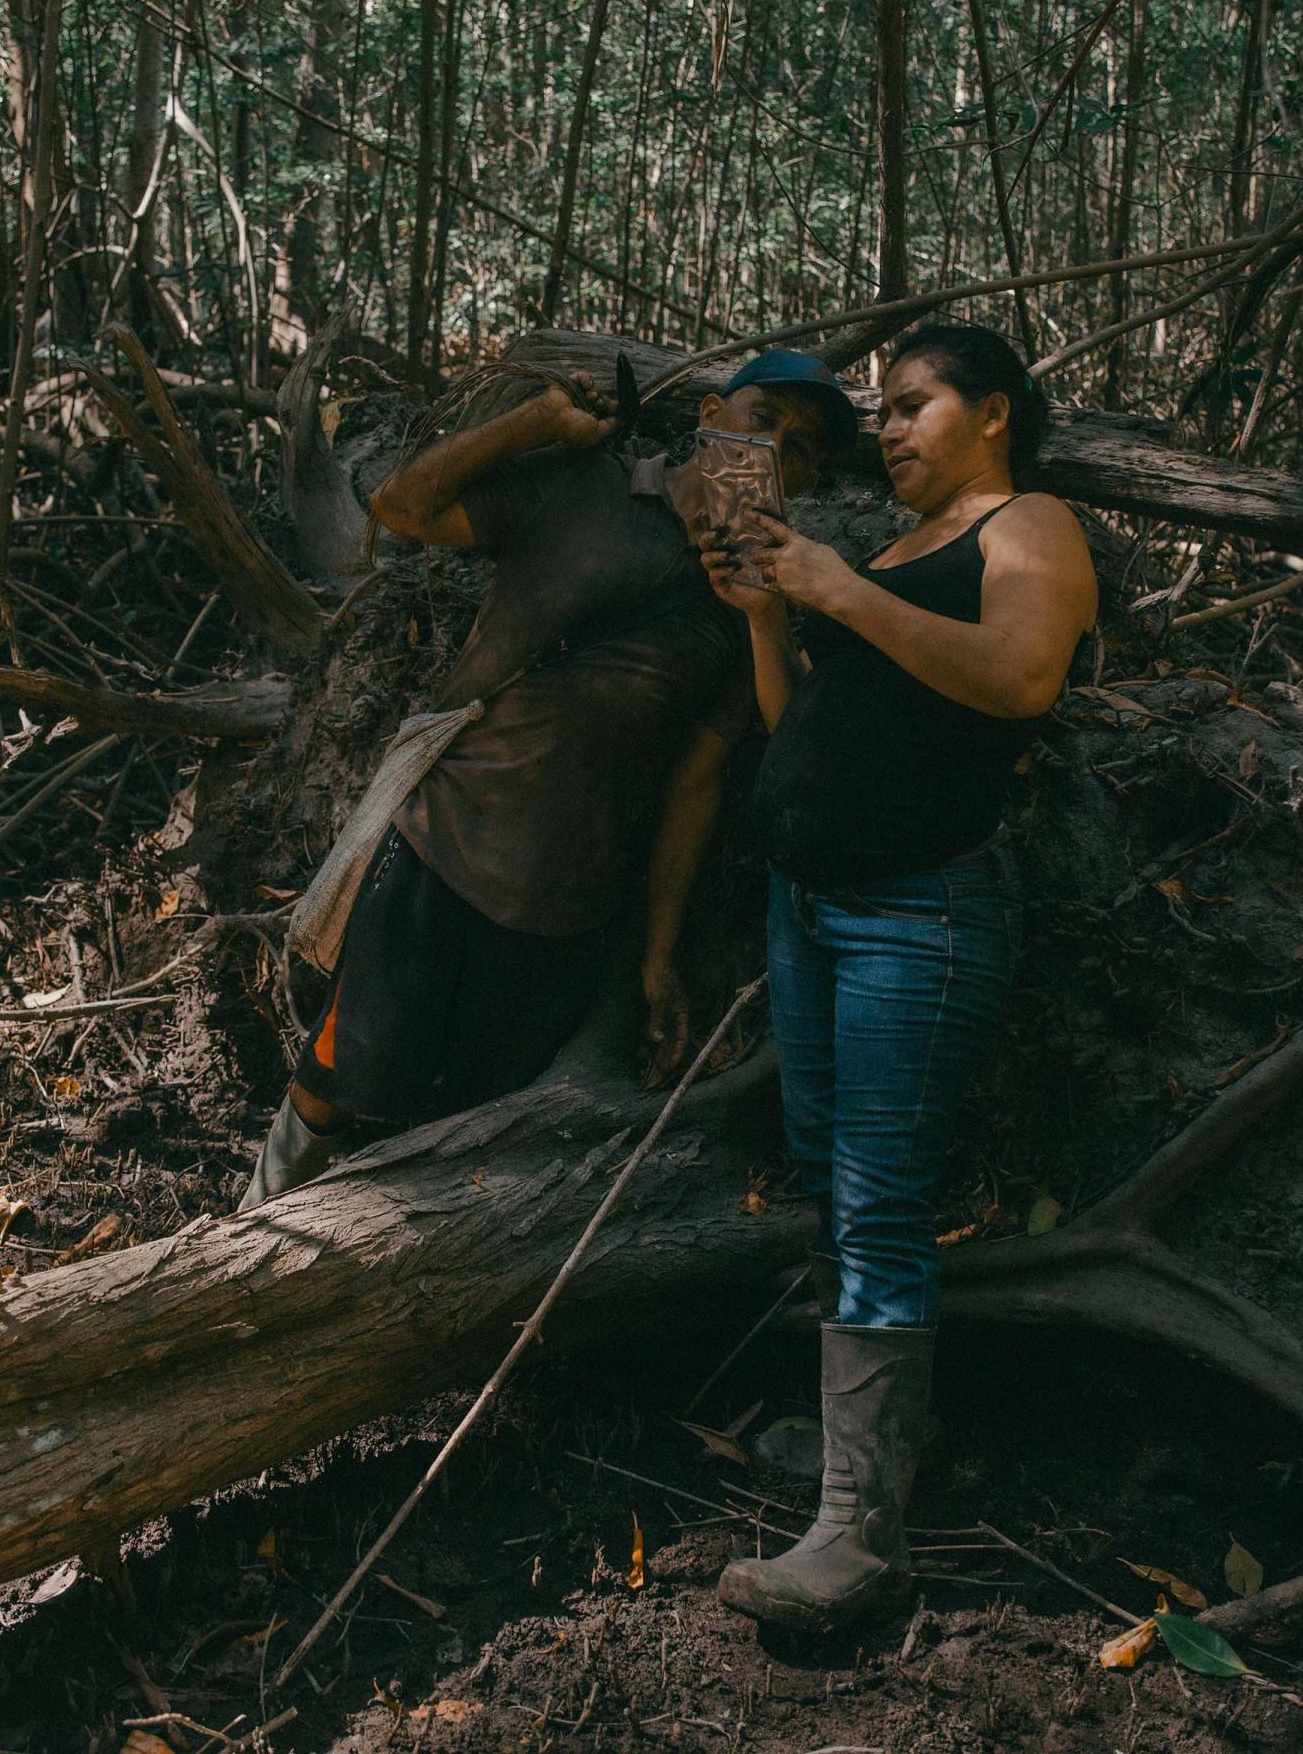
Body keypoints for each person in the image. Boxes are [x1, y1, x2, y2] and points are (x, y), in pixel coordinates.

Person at [239, 352, 859, 1206]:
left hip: (572, 906)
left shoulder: (753, 603)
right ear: (711, 413)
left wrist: (658, 952)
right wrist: (536, 422)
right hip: (441, 846)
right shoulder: (583, 486)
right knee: (336, 1081)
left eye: (799, 449)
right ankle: (251, 1236)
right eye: (761, 420)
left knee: (472, 1130)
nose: (773, 450)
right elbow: (398, 507)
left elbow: (697, 783)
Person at [699, 323, 1098, 1631]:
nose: (890, 430)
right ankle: (858, 1455)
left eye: (916, 407)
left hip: (917, 914)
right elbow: (793, 724)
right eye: (882, 414)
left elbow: (1025, 676)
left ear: (994, 412)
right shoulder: (887, 554)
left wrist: (837, 593)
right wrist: (771, 613)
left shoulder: (1028, 526)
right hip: (811, 907)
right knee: (832, 1172)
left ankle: (861, 1543)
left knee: (879, 1199)